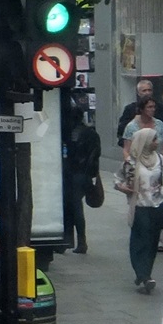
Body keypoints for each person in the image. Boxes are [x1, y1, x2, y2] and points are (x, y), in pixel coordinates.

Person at [116, 127, 163, 293]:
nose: (157, 143)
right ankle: (142, 274)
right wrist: (123, 188)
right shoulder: (132, 162)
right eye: (154, 139)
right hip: (140, 206)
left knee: (151, 243)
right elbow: (118, 180)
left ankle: (146, 274)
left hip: (156, 207)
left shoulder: (161, 160)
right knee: (140, 241)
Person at [64, 98, 101, 254]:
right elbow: (95, 156)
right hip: (84, 175)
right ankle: (78, 240)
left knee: (73, 206)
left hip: (74, 174)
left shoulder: (71, 134)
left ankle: (76, 240)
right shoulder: (91, 134)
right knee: (75, 206)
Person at [121, 96, 163, 161]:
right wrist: (130, 164)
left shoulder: (159, 124)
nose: (153, 109)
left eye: (154, 107)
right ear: (141, 109)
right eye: (149, 107)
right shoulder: (131, 126)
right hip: (137, 162)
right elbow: (126, 150)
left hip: (156, 162)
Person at [116, 78, 155, 152]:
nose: (147, 93)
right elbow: (121, 131)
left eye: (149, 90)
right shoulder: (130, 109)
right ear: (138, 93)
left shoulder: (160, 108)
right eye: (144, 90)